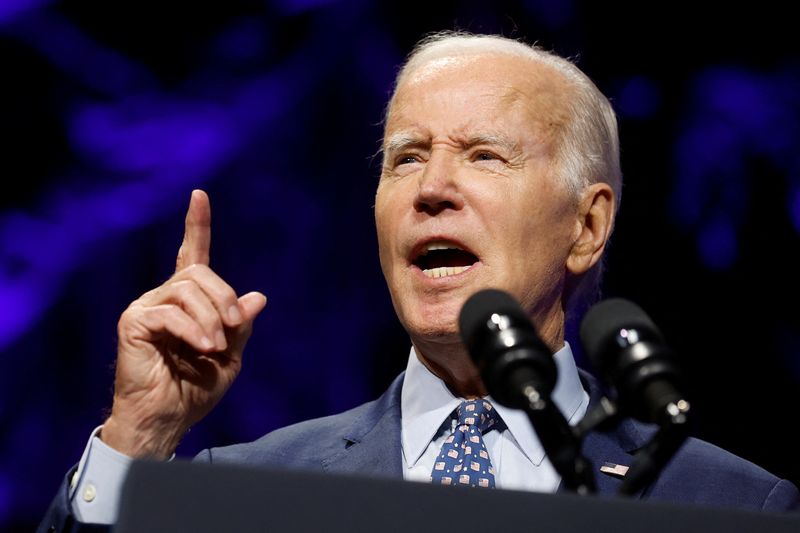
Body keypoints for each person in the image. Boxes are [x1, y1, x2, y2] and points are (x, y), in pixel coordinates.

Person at [39, 31, 798, 532]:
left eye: (483, 155)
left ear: (587, 227)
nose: (431, 187)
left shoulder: (728, 504)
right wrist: (140, 435)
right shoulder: (238, 490)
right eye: (405, 156)